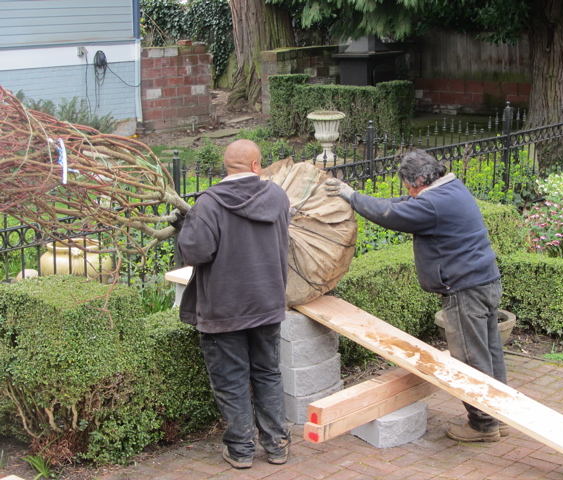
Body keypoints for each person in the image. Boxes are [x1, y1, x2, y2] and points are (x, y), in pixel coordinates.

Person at [325, 150, 508, 442]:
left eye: (409, 186)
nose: (408, 192)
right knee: (490, 352)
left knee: (470, 359)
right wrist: (357, 196)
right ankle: (503, 416)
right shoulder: (451, 188)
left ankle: (483, 425)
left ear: (421, 180)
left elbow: (393, 215)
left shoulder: (433, 203)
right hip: (485, 281)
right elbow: (403, 203)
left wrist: (352, 196)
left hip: (465, 291)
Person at [174, 139, 291, 468]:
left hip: (223, 310)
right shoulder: (278, 196)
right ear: (256, 166)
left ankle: (240, 451)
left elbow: (195, 252)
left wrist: (184, 226)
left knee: (231, 380)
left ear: (225, 167)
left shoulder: (208, 204)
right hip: (267, 303)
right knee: (268, 373)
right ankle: (277, 445)